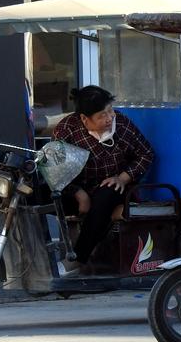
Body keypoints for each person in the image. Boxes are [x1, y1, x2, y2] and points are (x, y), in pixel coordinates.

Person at [52, 85, 154, 276]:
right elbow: (56, 171)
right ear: (85, 119)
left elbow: (146, 153)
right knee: (37, 193)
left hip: (112, 190)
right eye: (102, 115)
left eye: (110, 111)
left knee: (105, 196)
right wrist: (78, 193)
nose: (109, 118)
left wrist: (123, 178)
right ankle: (35, 259)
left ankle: (77, 259)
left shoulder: (121, 124)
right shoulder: (67, 129)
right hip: (78, 189)